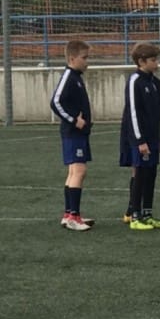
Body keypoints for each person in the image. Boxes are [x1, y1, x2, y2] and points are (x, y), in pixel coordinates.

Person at [119, 42, 160, 230]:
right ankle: (135, 216)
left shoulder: (155, 82)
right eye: (153, 60)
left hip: (152, 137)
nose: (157, 63)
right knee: (140, 172)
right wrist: (140, 140)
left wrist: (157, 138)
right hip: (138, 138)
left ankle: (147, 214)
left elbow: (156, 112)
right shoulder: (135, 81)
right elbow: (133, 112)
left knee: (151, 173)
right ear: (141, 61)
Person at [50, 39, 95, 232]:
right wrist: (73, 120)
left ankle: (69, 214)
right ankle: (74, 217)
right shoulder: (68, 76)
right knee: (79, 172)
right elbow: (55, 102)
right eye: (84, 58)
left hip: (78, 133)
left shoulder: (76, 76)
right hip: (72, 133)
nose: (87, 62)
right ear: (71, 58)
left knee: (73, 172)